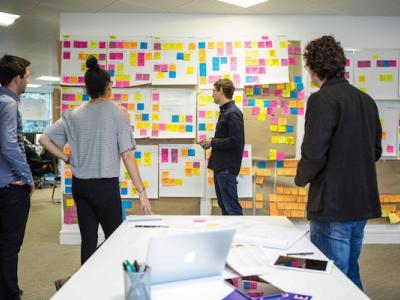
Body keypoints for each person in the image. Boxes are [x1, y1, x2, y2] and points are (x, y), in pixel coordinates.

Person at [39, 56, 152, 268]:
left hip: (80, 186)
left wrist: (65, 157)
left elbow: (43, 138)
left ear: (87, 88)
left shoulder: (71, 114)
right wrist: (141, 190)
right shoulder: (119, 113)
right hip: (105, 187)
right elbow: (127, 155)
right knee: (115, 240)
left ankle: (86, 287)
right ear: (108, 87)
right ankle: (109, 282)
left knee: (88, 241)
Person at [295, 36, 382, 290]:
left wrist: (301, 178)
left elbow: (314, 152)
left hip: (333, 205)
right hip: (361, 203)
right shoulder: (366, 101)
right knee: (349, 271)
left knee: (330, 278)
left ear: (312, 68)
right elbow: (374, 151)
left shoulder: (321, 99)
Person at [0, 54, 34, 300]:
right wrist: (28, 177)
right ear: (16, 79)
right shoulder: (9, 104)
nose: (28, 81)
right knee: (10, 246)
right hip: (11, 187)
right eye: (27, 76)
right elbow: (10, 143)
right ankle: (10, 294)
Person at [199, 79, 244, 215]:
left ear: (221, 91)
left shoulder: (232, 113)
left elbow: (236, 140)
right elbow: (228, 139)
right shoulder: (226, 112)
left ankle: (238, 235)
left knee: (231, 208)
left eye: (214, 91)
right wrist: (212, 142)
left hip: (226, 168)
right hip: (221, 167)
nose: (212, 94)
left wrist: (212, 142)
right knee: (225, 207)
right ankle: (230, 235)